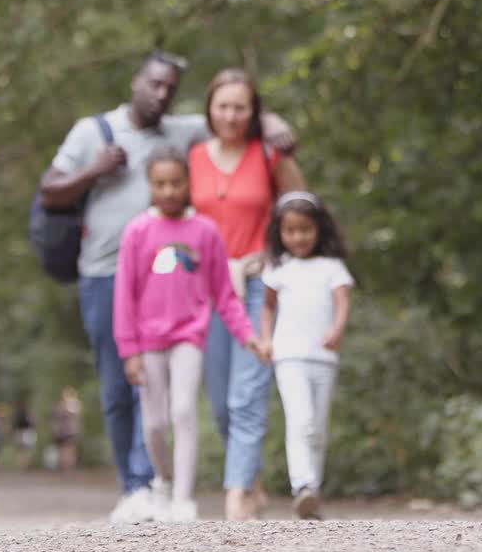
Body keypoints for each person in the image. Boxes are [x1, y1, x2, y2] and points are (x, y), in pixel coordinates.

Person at [39, 50, 296, 523]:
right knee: (120, 385)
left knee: (170, 398)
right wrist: (95, 170)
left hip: (177, 280)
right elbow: (50, 189)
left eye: (171, 89)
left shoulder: (181, 133)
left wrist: (273, 118)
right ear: (136, 81)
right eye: (154, 85)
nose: (161, 95)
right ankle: (135, 486)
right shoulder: (93, 131)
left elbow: (235, 120)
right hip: (105, 272)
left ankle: (163, 488)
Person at [114, 147, 259, 522]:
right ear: (149, 186)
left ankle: (182, 497)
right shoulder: (138, 231)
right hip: (148, 340)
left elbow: (224, 294)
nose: (168, 191)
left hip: (189, 336)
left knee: (183, 412)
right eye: (160, 183)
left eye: (176, 182)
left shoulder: (205, 231)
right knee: (154, 421)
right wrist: (128, 350)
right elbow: (125, 294)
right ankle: (162, 480)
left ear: (188, 183)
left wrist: (246, 334)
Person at [189, 68, 306, 521]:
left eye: (241, 107)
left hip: (260, 283)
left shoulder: (270, 155)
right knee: (220, 399)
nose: (231, 115)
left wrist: (283, 258)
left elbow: (302, 208)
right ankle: (250, 476)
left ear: (254, 111)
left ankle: (236, 495)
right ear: (210, 110)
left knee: (248, 392)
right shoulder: (194, 156)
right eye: (223, 106)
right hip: (208, 286)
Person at [255, 191, 354, 520]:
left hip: (323, 357)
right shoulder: (279, 268)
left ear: (319, 230)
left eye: (305, 230)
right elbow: (267, 307)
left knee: (318, 427)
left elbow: (342, 302)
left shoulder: (331, 266)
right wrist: (266, 340)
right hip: (289, 355)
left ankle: (313, 490)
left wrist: (337, 330)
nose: (298, 237)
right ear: (280, 233)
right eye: (291, 231)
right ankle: (303, 485)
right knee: (301, 420)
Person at [50, 386, 83, 473]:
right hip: (64, 431)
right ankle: (65, 467)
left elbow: (77, 417)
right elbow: (55, 419)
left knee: (69, 449)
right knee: (64, 449)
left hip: (70, 431)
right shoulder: (62, 405)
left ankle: (69, 467)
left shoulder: (73, 405)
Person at [13, 397, 37, 469]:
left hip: (21, 432)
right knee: (27, 450)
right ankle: (25, 465)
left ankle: (23, 465)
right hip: (27, 432)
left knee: (21, 450)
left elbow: (15, 424)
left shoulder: (18, 412)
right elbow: (33, 423)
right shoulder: (29, 412)